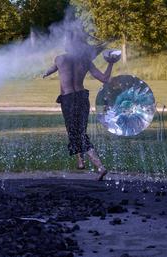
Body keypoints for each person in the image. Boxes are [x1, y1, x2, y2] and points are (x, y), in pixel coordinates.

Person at [42, 30, 115, 181]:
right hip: (82, 98)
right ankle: (80, 161)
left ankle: (100, 167)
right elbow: (105, 78)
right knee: (77, 129)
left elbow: (53, 68)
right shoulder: (86, 61)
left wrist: (46, 72)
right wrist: (110, 64)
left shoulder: (60, 59)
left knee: (77, 133)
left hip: (68, 100)